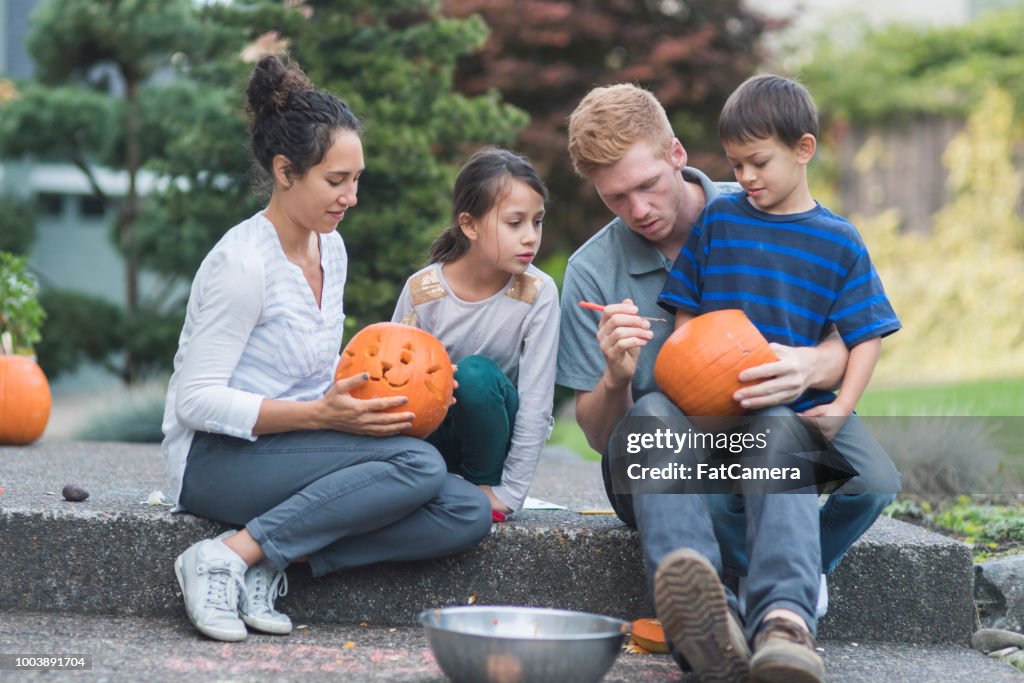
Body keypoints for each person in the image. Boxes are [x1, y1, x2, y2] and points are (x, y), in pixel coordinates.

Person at [558, 82, 895, 682]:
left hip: (769, 421)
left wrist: (811, 367)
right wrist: (616, 377)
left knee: (849, 471)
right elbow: (596, 436)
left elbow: (852, 323)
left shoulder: (757, 203)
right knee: (658, 411)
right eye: (616, 198)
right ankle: (711, 613)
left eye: (647, 186)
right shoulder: (591, 270)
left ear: (677, 155)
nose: (637, 209)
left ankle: (777, 614)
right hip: (665, 456)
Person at [162, 55, 491, 643]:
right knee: (416, 465)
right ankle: (224, 556)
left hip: (293, 445)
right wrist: (319, 415)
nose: (352, 197)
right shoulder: (242, 264)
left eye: (355, 179)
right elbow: (196, 401)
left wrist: (409, 394)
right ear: (286, 171)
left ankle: (274, 557)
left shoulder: (329, 250)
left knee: (465, 510)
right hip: (216, 458)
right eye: (336, 181)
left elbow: (316, 379)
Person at [392, 147, 558, 521]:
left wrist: (510, 492)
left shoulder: (537, 293)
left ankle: (480, 492)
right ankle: (426, 483)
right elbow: (394, 380)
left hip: (493, 440)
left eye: (538, 221)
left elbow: (536, 400)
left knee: (474, 374)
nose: (531, 237)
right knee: (437, 380)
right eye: (515, 223)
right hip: (433, 438)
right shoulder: (423, 290)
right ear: (470, 225)